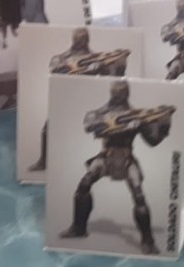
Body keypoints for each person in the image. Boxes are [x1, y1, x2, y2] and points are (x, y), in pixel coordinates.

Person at [58, 81, 176, 255]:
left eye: (121, 92)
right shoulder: (102, 113)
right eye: (116, 92)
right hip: (105, 157)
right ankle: (79, 228)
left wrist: (164, 124)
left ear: (126, 93)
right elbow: (92, 127)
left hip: (127, 159)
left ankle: (148, 241)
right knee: (83, 186)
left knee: (139, 197)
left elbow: (153, 141)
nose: (118, 96)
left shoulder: (138, 116)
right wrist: (117, 124)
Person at [29, 28, 130, 171]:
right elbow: (55, 70)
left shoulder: (98, 60)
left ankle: (106, 162)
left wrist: (119, 63)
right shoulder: (62, 58)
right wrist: (82, 67)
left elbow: (114, 78)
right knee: (47, 129)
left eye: (82, 38)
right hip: (65, 102)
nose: (80, 40)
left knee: (110, 126)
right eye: (78, 38)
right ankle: (43, 161)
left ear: (87, 40)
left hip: (87, 102)